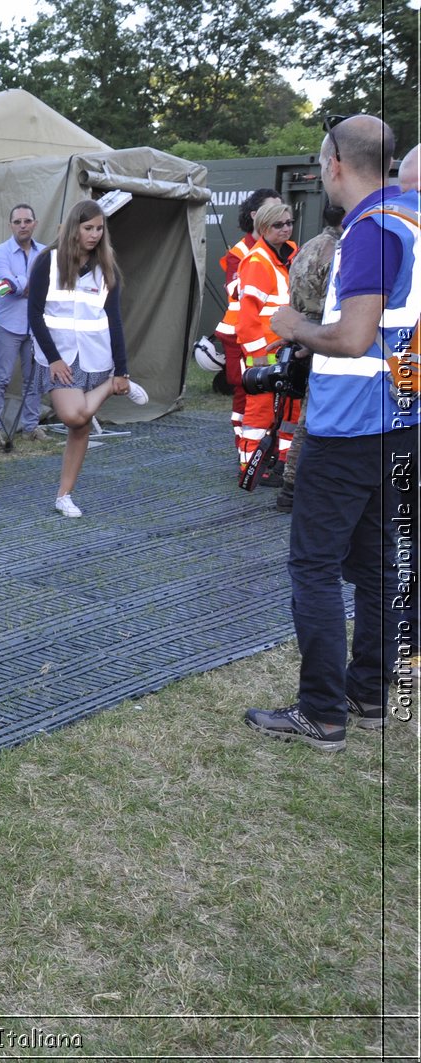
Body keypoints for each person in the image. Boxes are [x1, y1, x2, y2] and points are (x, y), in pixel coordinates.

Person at [245, 114, 419, 750]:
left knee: (313, 567)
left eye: (322, 161)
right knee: (378, 563)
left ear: (336, 165)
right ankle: (370, 693)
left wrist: (293, 327)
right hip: (402, 422)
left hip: (350, 428)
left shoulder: (370, 231)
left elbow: (351, 337)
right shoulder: (411, 221)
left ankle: (321, 712)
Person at [27, 200, 133, 518]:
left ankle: (65, 495)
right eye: (88, 228)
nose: (94, 235)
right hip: (58, 357)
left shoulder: (107, 267)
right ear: (74, 227)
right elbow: (34, 314)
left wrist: (122, 368)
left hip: (96, 358)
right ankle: (111, 388)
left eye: (99, 229)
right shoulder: (49, 260)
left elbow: (114, 319)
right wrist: (54, 359)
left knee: (81, 427)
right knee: (74, 416)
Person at [275, 201, 347, 512]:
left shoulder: (308, 247)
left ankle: (290, 487)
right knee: (311, 419)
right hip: (320, 339)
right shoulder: (338, 252)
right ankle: (296, 489)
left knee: (306, 416)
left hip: (299, 335)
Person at [234, 200, 300, 482]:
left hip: (288, 350)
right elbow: (246, 315)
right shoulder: (258, 262)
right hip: (265, 353)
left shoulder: (289, 254)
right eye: (278, 225)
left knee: (289, 412)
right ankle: (250, 468)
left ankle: (282, 463)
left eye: (289, 223)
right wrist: (257, 355)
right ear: (263, 227)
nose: (286, 229)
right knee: (259, 415)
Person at [215, 189, 283, 450]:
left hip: (275, 336)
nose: (283, 218)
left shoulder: (286, 249)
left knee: (277, 394)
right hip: (242, 335)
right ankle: (247, 450)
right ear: (256, 216)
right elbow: (236, 292)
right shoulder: (241, 252)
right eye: (274, 211)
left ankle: (271, 448)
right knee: (247, 392)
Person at [0, 203, 49, 445]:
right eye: (18, 221)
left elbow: (48, 287)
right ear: (11, 225)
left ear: (35, 223)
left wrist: (19, 285)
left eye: (27, 221)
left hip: (35, 326)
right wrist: (28, 284)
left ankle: (31, 426)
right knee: (1, 377)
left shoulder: (44, 253)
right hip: (8, 325)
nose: (23, 225)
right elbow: (0, 288)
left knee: (33, 379)